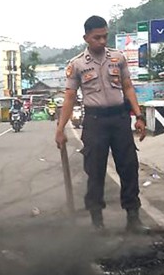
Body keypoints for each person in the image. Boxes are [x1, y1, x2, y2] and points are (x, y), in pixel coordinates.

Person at [55, 15, 149, 233]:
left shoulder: (118, 58)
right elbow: (69, 98)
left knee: (129, 167)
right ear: (86, 38)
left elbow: (128, 87)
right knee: (95, 171)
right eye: (97, 37)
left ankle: (133, 217)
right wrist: (60, 129)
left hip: (120, 119)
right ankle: (97, 221)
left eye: (105, 36)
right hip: (95, 122)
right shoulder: (77, 64)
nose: (102, 41)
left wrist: (139, 116)